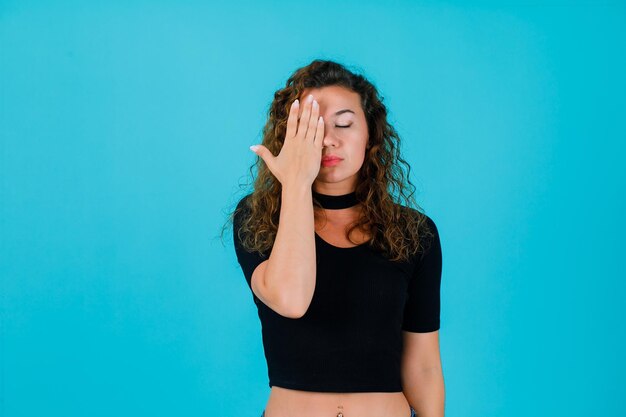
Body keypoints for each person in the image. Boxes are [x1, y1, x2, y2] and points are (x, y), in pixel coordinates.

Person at [229, 59, 444, 417]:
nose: (328, 139)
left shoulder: (415, 233)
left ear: (371, 134)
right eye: (310, 127)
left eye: (343, 123)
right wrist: (296, 182)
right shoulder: (258, 218)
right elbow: (291, 299)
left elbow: (423, 366)